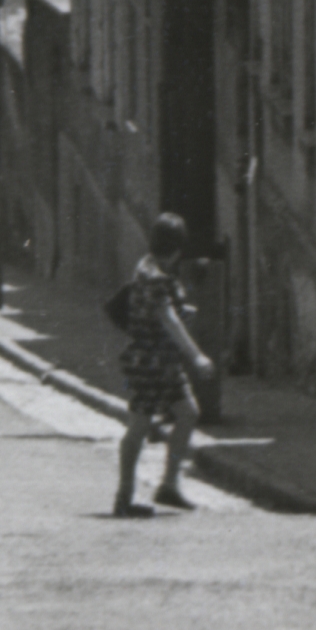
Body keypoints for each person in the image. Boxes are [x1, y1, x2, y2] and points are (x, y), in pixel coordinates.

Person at [112, 212, 215, 516]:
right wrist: (196, 355)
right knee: (139, 426)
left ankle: (169, 486)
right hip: (149, 362)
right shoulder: (156, 277)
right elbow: (167, 318)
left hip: (164, 361)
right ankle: (124, 496)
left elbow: (168, 313)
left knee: (187, 412)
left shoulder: (150, 268)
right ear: (178, 248)